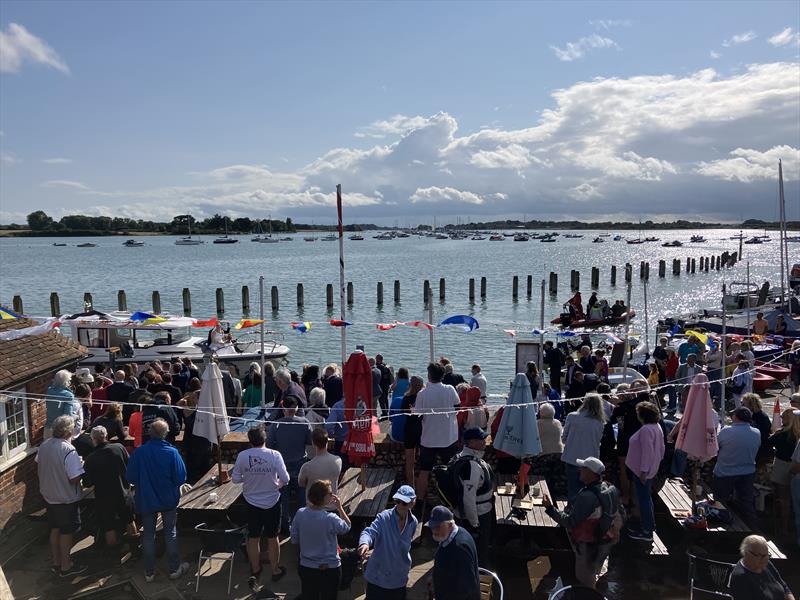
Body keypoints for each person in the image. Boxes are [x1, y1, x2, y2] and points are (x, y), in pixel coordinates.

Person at [126, 419, 189, 582]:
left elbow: (130, 477)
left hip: (146, 499)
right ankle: (174, 569)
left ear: (150, 433)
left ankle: (149, 572)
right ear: (165, 434)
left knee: (148, 535)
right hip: (168, 499)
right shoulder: (172, 452)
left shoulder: (139, 452)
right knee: (170, 533)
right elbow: (181, 478)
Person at [543, 457, 620, 589]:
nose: (580, 470)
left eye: (583, 468)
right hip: (606, 538)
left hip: (589, 544)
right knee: (595, 570)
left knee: (584, 580)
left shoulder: (587, 496)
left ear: (591, 473)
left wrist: (550, 508)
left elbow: (570, 522)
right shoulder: (609, 488)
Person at [231, 425, 289, 590]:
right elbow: (285, 478)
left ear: (250, 441)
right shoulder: (274, 455)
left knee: (253, 537)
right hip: (272, 501)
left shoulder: (243, 456)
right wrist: (276, 485)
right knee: (273, 537)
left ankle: (255, 569)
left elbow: (235, 479)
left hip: (251, 502)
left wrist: (248, 478)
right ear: (265, 439)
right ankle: (275, 570)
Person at [36, 415, 87, 577]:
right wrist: (81, 466)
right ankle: (66, 566)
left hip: (49, 496)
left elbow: (37, 463)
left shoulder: (44, 445)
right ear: (69, 432)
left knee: (54, 529)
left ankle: (56, 562)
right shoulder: (68, 450)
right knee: (66, 531)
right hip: (66, 499)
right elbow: (74, 479)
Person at [290, 479, 351, 600]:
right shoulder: (331, 518)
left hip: (307, 567)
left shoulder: (300, 513)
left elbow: (294, 539)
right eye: (329, 493)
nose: (332, 495)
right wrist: (340, 507)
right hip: (330, 568)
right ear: (323, 498)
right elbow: (347, 526)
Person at [358, 485, 419, 599]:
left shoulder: (413, 522)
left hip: (399, 578)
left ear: (412, 503)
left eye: (404, 503)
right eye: (397, 501)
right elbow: (370, 532)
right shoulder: (384, 517)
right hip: (378, 578)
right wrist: (364, 543)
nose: (400, 505)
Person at [82, 425, 138, 548]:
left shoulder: (90, 459)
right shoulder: (119, 448)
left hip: (104, 497)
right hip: (123, 492)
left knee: (109, 527)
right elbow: (130, 466)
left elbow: (87, 483)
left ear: (93, 439)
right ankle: (135, 548)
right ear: (106, 436)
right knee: (129, 521)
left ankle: (113, 553)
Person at [413, 362, 461, 501]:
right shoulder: (450, 389)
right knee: (451, 470)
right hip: (448, 437)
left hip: (429, 438)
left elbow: (418, 414)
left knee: (424, 471)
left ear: (429, 375)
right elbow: (458, 406)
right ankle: (453, 498)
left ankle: (419, 500)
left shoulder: (423, 393)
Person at [451, 427, 495, 566]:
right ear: (471, 442)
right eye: (481, 439)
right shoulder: (472, 466)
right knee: (479, 553)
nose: (484, 442)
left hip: (466, 514)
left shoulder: (460, 456)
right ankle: (479, 578)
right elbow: (468, 498)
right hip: (477, 515)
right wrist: (474, 524)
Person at [268, 396, 311, 531]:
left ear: (283, 408)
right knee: (301, 495)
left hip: (282, 465)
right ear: (297, 408)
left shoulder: (276, 425)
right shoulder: (304, 422)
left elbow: (269, 444)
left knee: (283, 497)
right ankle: (303, 524)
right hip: (300, 463)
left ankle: (285, 526)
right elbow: (310, 442)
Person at [624, 401, 665, 542]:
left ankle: (647, 531)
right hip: (651, 470)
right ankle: (649, 526)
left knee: (644, 500)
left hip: (643, 472)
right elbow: (661, 449)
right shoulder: (657, 426)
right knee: (646, 499)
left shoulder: (646, 430)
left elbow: (647, 451)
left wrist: (643, 471)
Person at [712, 407, 761, 524]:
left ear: (735, 417)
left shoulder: (726, 431)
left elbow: (715, 446)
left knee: (720, 501)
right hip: (747, 472)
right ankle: (752, 527)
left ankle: (720, 524)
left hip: (725, 472)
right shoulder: (756, 432)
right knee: (746, 502)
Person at [428, 505, 481, 600]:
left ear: (449, 525)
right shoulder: (447, 536)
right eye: (432, 527)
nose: (434, 530)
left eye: (438, 527)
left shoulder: (460, 548)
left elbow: (466, 587)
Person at [561, 394, 606, 502]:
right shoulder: (600, 422)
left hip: (572, 457)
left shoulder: (572, 416)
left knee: (572, 489)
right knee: (588, 490)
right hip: (590, 461)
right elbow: (598, 440)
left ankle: (572, 512)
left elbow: (564, 438)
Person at [729, 535, 795, 600]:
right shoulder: (740, 577)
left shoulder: (766, 563)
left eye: (766, 555)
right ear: (746, 553)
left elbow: (784, 587)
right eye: (761, 556)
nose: (765, 559)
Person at [768, 409, 799, 536]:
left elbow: (768, 443)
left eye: (783, 416)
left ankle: (783, 527)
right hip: (794, 467)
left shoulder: (782, 433)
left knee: (783, 499)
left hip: (783, 466)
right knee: (792, 501)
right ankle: (790, 527)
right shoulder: (797, 435)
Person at [298, 428, 342, 507]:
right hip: (332, 507)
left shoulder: (306, 467)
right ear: (327, 441)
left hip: (312, 508)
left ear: (313, 443)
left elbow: (301, 484)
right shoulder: (338, 460)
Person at [401, 376, 424, 485]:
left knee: (409, 462)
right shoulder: (425, 398)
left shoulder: (406, 398)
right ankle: (422, 488)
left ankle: (411, 486)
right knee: (423, 463)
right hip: (423, 430)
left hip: (410, 430)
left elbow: (402, 413)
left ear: (410, 385)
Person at [45, 370, 80, 439]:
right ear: (66, 382)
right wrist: (76, 416)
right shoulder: (68, 395)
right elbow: (68, 416)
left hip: (48, 427)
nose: (69, 382)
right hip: (60, 432)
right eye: (69, 380)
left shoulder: (49, 390)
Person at [741, 393, 772, 461]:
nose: (741, 406)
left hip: (760, 449)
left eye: (743, 404)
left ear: (751, 405)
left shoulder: (762, 417)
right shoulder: (748, 415)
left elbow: (763, 435)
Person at [388, 367, 411, 443]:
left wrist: (396, 378)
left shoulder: (397, 380)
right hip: (406, 401)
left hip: (396, 400)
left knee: (395, 415)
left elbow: (392, 388)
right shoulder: (409, 381)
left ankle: (395, 426)